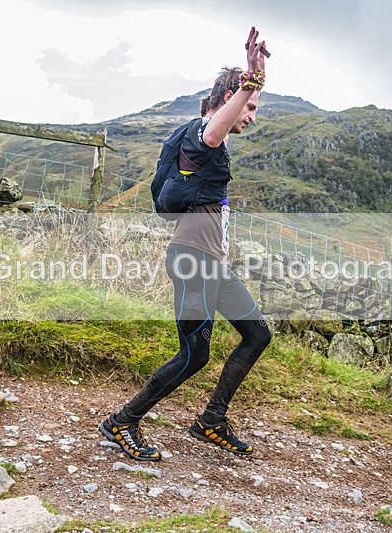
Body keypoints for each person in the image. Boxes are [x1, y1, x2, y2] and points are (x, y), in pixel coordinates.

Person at [99, 27, 272, 461]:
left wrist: (251, 75)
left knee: (256, 335)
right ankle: (122, 421)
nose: (252, 114)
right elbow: (214, 132)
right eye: (249, 106)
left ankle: (211, 419)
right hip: (194, 260)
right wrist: (248, 83)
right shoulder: (202, 132)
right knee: (194, 355)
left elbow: (221, 132)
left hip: (212, 261)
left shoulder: (216, 136)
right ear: (231, 98)